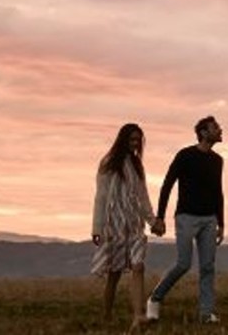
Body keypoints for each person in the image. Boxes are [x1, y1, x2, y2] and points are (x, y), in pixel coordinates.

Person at [146, 116, 225, 324]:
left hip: (209, 219)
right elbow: (167, 184)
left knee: (208, 267)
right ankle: (154, 299)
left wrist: (221, 223)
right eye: (215, 127)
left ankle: (206, 314)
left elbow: (218, 192)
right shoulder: (185, 155)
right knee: (183, 264)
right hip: (186, 217)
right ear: (204, 133)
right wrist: (160, 216)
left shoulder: (218, 161)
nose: (220, 130)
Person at [91, 123, 164, 330]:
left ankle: (138, 316)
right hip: (114, 226)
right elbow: (101, 197)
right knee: (114, 274)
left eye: (138, 141)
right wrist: (97, 227)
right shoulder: (108, 163)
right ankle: (106, 315)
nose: (135, 144)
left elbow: (142, 196)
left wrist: (152, 221)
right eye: (132, 140)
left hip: (134, 225)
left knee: (138, 266)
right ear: (123, 139)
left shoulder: (137, 165)